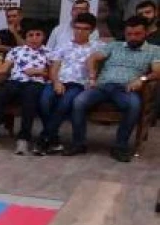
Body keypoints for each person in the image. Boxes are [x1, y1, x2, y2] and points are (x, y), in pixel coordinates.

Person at [68, 15, 160, 162]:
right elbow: (92, 58)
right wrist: (92, 76)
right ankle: (78, 143)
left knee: (134, 106)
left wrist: (142, 79)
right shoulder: (114, 45)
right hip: (103, 86)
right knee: (78, 101)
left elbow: (157, 71)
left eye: (137, 34)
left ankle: (120, 146)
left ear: (146, 32)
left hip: (126, 89)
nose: (133, 38)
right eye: (129, 34)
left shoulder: (154, 50)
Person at [0, 20, 51, 155]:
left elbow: (53, 73)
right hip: (15, 81)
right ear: (25, 37)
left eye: (38, 35)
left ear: (43, 36)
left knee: (30, 99)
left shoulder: (49, 52)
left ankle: (23, 139)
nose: (34, 38)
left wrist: (39, 72)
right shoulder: (16, 51)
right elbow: (5, 67)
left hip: (35, 83)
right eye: (31, 35)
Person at [34, 12, 101, 155]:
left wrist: (93, 77)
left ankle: (44, 139)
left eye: (84, 29)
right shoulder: (64, 46)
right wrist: (56, 82)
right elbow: (54, 67)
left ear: (92, 30)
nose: (80, 31)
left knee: (64, 104)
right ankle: (52, 138)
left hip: (78, 84)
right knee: (44, 101)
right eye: (77, 28)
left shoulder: (97, 47)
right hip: (58, 81)